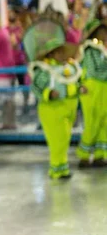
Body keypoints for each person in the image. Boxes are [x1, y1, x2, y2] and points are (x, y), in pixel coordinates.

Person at [24, 16, 84, 180]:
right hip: (51, 109)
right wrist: (48, 94)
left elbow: (70, 83)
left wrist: (80, 88)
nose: (62, 54)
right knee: (57, 140)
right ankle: (55, 169)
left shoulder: (64, 68)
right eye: (59, 51)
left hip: (67, 108)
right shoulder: (43, 69)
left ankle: (61, 168)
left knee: (64, 139)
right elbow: (36, 87)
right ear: (52, 53)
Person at [77, 19, 107, 168]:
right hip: (91, 87)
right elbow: (93, 71)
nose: (104, 34)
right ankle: (84, 156)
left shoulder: (102, 50)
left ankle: (100, 156)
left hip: (104, 88)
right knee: (92, 122)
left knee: (104, 122)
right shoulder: (89, 50)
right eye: (101, 31)